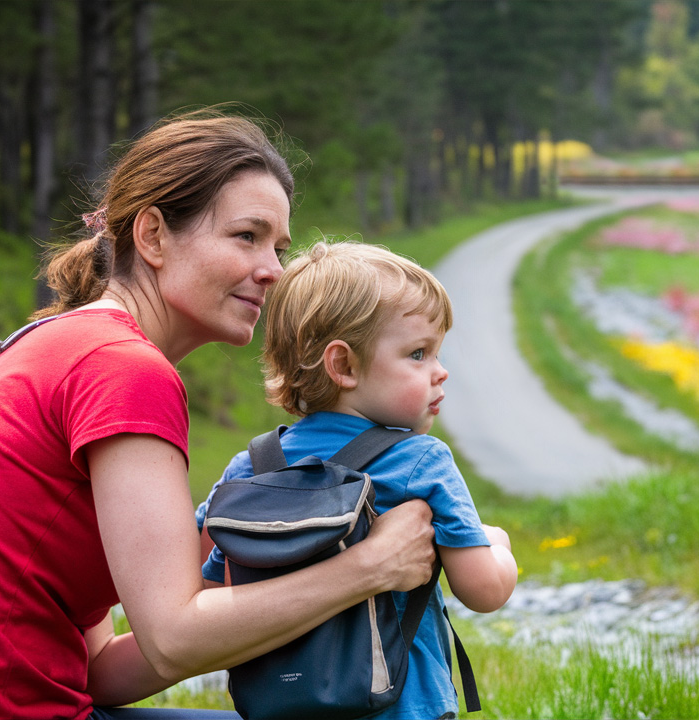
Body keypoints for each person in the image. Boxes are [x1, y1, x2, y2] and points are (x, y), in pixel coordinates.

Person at [0, 112, 437, 720]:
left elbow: (100, 670)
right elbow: (174, 639)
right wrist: (367, 569)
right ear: (151, 236)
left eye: (278, 248)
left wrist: (285, 576)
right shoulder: (123, 370)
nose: (274, 271)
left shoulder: (60, 339)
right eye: (246, 237)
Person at [197, 241, 519, 720]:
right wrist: (498, 546)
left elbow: (209, 587)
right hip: (401, 707)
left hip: (277, 708)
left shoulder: (249, 469)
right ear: (343, 365)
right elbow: (485, 591)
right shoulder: (420, 461)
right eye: (418, 354)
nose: (440, 371)